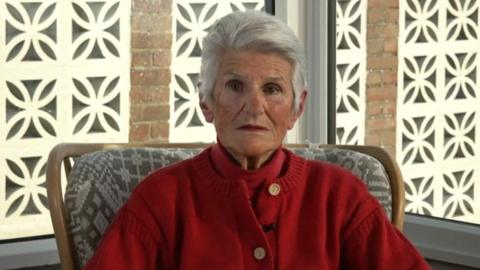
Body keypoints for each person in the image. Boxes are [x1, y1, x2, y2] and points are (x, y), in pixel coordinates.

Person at [84, 10, 430, 269]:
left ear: (297, 107)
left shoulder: (341, 196)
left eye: (273, 89)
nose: (254, 106)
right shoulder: (160, 199)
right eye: (235, 86)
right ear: (206, 101)